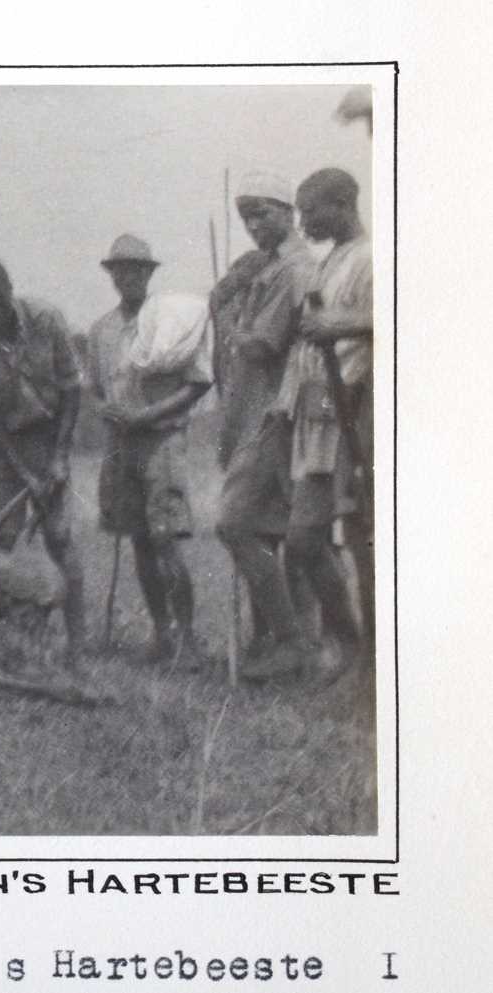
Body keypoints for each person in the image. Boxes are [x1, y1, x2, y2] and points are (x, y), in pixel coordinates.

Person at [0, 259, 86, 665]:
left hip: (47, 433)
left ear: (12, 291)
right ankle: (10, 636)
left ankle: (77, 647)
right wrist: (25, 473)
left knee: (59, 538)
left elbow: (72, 390)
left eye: (1, 304)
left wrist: (58, 459)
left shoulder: (47, 319)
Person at [213, 170, 323, 677]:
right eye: (245, 216)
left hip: (279, 414)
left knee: (234, 522)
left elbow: (261, 344)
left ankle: (291, 641)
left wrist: (231, 322)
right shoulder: (271, 267)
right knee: (273, 526)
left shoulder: (291, 270)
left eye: (261, 212)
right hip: (264, 414)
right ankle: (285, 644)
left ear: (287, 211)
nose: (253, 223)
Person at [87, 235, 213, 667]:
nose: (128, 277)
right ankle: (162, 634)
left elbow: (199, 383)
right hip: (121, 445)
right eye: (119, 270)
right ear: (111, 275)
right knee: (139, 539)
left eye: (137, 270)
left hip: (161, 440)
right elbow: (96, 389)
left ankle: (187, 638)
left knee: (167, 540)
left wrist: (150, 414)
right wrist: (109, 411)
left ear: (149, 274)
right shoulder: (102, 330)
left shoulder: (172, 320)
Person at [274, 167, 373, 676]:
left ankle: (375, 657)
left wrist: (343, 323)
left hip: (354, 415)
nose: (303, 221)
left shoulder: (373, 258)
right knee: (304, 540)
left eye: (310, 209)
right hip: (316, 413)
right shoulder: (328, 259)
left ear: (341, 204)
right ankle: (348, 643)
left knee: (363, 539)